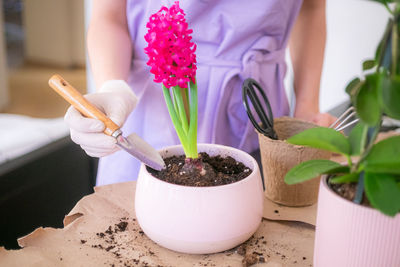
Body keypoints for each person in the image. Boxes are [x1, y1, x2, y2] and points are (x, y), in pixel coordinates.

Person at [65, 0, 336, 186]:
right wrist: (113, 87)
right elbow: (109, 15)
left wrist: (307, 105)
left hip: (259, 116)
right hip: (151, 109)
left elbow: (311, 7)